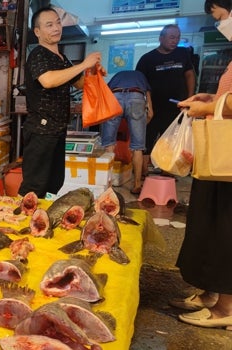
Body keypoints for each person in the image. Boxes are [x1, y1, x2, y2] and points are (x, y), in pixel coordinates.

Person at [168, 0, 232, 330]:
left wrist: (212, 109)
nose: (222, 24)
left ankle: (226, 308)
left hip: (228, 158)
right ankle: (211, 293)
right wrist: (211, 99)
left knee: (225, 227)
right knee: (207, 222)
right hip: (219, 158)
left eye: (222, 17)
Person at [17, 6, 102, 198]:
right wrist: (83, 64)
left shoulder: (61, 58)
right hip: (41, 130)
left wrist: (92, 71)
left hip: (57, 130)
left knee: (53, 182)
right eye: (49, 25)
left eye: (57, 22)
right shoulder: (38, 54)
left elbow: (79, 83)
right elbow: (48, 80)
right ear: (38, 32)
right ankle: (21, 221)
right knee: (34, 186)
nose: (56, 28)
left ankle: (40, 219)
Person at [136, 24, 195, 176]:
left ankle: (166, 172)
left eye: (177, 37)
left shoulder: (183, 53)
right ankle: (142, 174)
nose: (175, 41)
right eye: (171, 37)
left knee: (170, 141)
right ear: (161, 38)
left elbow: (189, 75)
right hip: (153, 108)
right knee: (147, 140)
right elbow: (140, 84)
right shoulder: (147, 59)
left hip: (177, 107)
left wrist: (190, 98)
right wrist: (145, 106)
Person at [101, 70, 153, 195]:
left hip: (115, 97)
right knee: (138, 146)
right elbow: (149, 107)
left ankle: (108, 185)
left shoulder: (117, 75)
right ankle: (136, 185)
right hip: (136, 97)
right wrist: (143, 121)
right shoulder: (141, 76)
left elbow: (105, 93)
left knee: (109, 143)